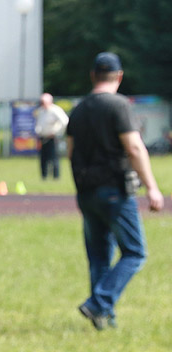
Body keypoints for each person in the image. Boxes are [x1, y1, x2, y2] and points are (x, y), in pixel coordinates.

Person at [67, 52, 163, 330]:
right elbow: (134, 148)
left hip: (85, 192)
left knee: (99, 256)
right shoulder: (119, 106)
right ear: (119, 77)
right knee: (135, 253)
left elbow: (71, 152)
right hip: (114, 190)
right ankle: (99, 303)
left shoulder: (79, 109)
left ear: (92, 75)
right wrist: (152, 187)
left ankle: (103, 317)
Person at [35, 93, 68, 180]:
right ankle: (44, 176)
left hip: (53, 138)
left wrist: (57, 132)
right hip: (43, 138)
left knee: (54, 158)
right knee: (43, 159)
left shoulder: (55, 110)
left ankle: (56, 177)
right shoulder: (41, 111)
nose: (42, 104)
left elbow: (64, 121)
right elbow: (39, 123)